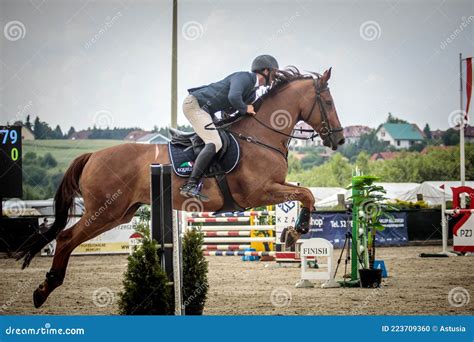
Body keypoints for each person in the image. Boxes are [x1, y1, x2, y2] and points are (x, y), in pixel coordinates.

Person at [180, 55, 279, 200]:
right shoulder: (245, 78)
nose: (275, 76)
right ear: (266, 71)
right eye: (274, 72)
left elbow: (230, 111)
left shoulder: (252, 93)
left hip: (207, 111)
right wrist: (245, 108)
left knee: (223, 138)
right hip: (194, 105)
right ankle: (190, 184)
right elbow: (234, 97)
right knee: (215, 142)